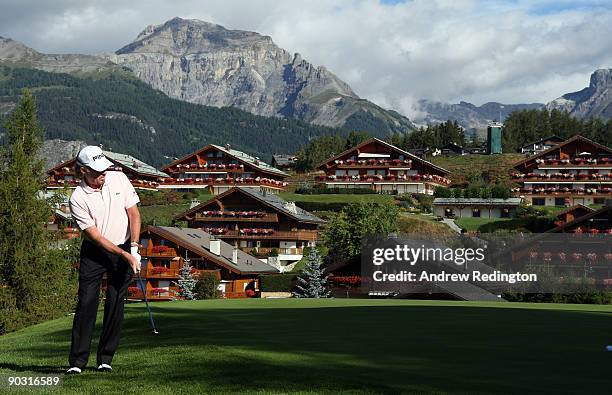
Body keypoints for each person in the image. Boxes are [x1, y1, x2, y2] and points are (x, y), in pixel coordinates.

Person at [66, 146, 142, 374]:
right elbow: (96, 237)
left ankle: (105, 359)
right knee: (87, 303)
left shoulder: (118, 178)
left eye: (105, 168)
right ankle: (77, 363)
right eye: (98, 171)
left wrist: (135, 248)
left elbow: (134, 214)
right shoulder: (77, 198)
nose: (103, 174)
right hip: (95, 251)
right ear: (84, 171)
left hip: (125, 246)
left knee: (115, 302)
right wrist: (123, 254)